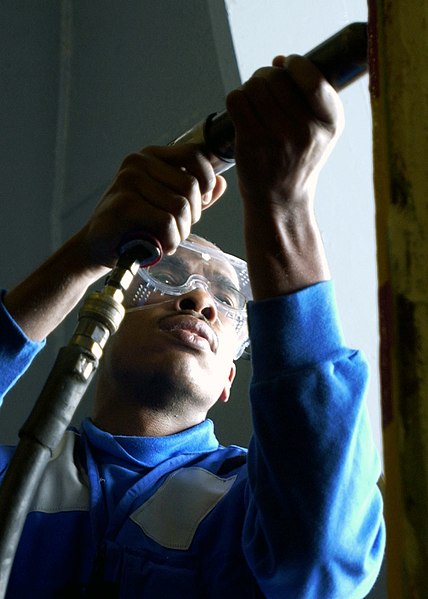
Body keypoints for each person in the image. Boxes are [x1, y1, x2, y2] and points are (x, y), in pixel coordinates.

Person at [0, 54, 385, 598]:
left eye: (228, 301)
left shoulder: (250, 504)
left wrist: (285, 212)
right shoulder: (14, 480)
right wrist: (83, 256)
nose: (199, 298)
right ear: (104, 328)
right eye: (170, 277)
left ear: (231, 379)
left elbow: (320, 557)